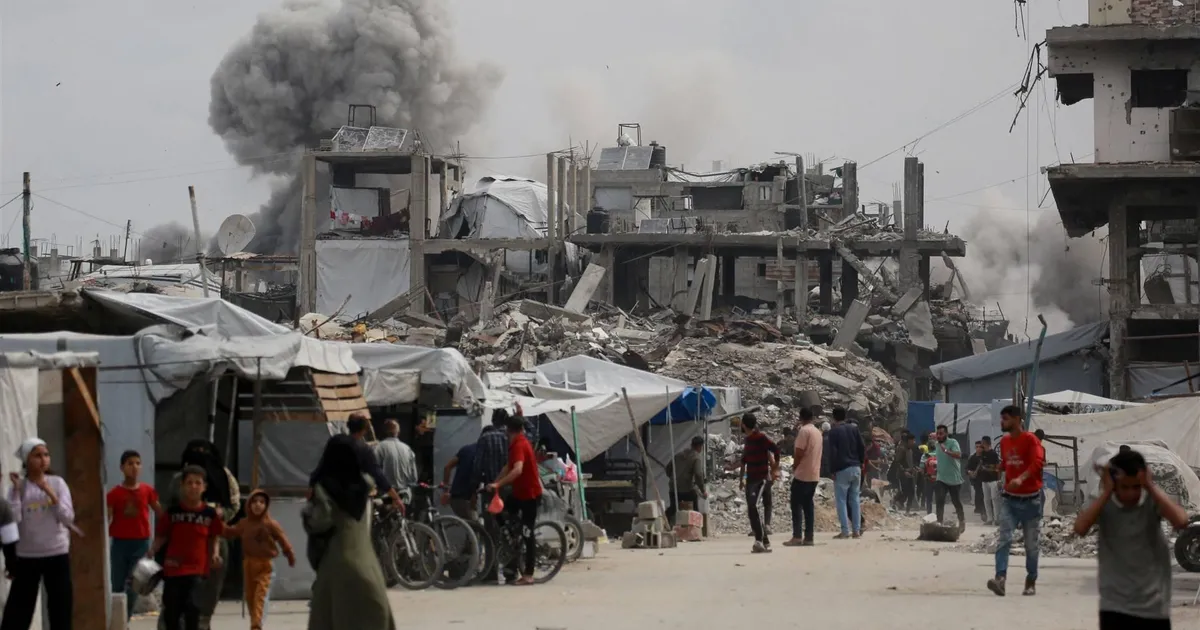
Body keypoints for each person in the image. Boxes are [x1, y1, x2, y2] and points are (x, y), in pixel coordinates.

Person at [1073, 446, 1189, 630]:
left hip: (1153, 607)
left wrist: (1150, 486)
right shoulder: (1105, 505)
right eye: (1124, 487)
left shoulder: (1152, 501)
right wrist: (1106, 492)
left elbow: (1181, 521)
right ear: (1114, 483)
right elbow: (1080, 528)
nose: (1130, 494)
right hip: (1115, 607)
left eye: (1136, 487)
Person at [304, 435, 396, 630]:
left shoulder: (324, 488)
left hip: (337, 564)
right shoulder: (365, 484)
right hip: (367, 564)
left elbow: (320, 522)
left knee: (333, 618)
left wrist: (307, 512)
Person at [159, 440, 240, 630]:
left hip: (213, 538)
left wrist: (220, 514)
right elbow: (168, 506)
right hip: (180, 540)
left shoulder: (224, 476)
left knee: (206, 593)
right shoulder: (179, 479)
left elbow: (234, 504)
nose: (194, 486)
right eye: (195, 451)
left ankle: (202, 624)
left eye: (204, 451)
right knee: (174, 596)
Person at [2, 438, 76, 630]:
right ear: (27, 460)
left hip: (56, 553)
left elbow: (67, 518)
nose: (43, 460)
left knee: (60, 610)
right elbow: (14, 520)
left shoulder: (58, 483)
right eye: (37, 455)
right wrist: (16, 492)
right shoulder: (19, 486)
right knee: (18, 613)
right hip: (27, 556)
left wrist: (50, 492)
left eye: (46, 455)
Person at [149, 466, 224, 630]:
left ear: (204, 487)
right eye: (189, 483)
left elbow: (215, 537)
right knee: (172, 612)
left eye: (198, 483)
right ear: (182, 485)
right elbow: (162, 535)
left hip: (197, 569)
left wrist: (215, 554)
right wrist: (152, 550)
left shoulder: (210, 514)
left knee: (193, 609)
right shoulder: (172, 513)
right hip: (173, 569)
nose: (193, 486)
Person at [988, 405, 1046, 597]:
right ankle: (1000, 579)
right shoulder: (1005, 442)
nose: (1001, 422)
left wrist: (1021, 478)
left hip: (1031, 501)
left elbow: (1038, 462)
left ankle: (1031, 581)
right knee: (1004, 539)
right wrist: (998, 468)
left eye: (1005, 418)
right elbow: (1007, 463)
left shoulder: (1031, 440)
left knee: (1031, 545)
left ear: (1017, 419)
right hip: (1010, 500)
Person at [223, 490, 295, 630]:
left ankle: (256, 626)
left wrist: (289, 553)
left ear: (266, 505)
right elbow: (230, 532)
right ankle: (255, 623)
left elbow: (282, 539)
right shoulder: (244, 524)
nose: (258, 505)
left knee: (260, 598)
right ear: (249, 505)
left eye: (262, 502)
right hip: (249, 564)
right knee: (250, 598)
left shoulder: (270, 524)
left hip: (265, 566)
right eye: (254, 502)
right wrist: (218, 525)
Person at [486, 413, 543, 585]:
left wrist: (499, 484)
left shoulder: (519, 444)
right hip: (519, 493)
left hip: (530, 495)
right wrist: (496, 482)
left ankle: (528, 574)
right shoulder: (517, 443)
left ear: (507, 429)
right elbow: (508, 466)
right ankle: (513, 537)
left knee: (528, 533)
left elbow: (517, 470)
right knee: (499, 511)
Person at [107, 449, 162, 620]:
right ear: (122, 467)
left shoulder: (147, 491)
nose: (134, 467)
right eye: (130, 464)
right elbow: (106, 518)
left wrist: (161, 537)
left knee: (135, 585)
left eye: (138, 463)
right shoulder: (114, 494)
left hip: (141, 543)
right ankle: (118, 622)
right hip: (120, 544)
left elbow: (160, 513)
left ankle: (126, 619)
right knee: (117, 585)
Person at [309, 413, 402, 509]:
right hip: (350, 500)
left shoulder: (335, 440)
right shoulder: (364, 449)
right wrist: (396, 497)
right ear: (364, 430)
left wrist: (312, 485)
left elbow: (322, 465)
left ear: (349, 426)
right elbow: (378, 475)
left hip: (330, 493)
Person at [737, 413, 779, 553]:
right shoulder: (748, 440)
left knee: (754, 506)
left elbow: (775, 450)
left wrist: (774, 469)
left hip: (761, 479)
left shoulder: (761, 438)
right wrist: (741, 479)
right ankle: (764, 541)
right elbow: (744, 461)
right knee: (752, 510)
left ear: (744, 424)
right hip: (750, 480)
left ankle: (759, 540)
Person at [784, 407, 822, 547]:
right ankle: (809, 537)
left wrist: (795, 466)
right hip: (814, 474)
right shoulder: (817, 432)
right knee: (808, 506)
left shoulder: (804, 431)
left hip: (803, 474)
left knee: (796, 504)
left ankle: (797, 536)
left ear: (801, 417)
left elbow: (799, 452)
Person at [825, 407, 865, 539]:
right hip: (856, 467)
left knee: (841, 500)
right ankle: (856, 531)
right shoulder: (854, 429)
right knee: (855, 500)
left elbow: (832, 453)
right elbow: (861, 446)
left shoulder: (833, 432)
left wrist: (832, 470)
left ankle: (845, 531)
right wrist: (861, 462)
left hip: (842, 469)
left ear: (833, 417)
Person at [373, 419, 419, 506]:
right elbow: (414, 478)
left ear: (384, 431)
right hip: (404, 497)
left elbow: (374, 472)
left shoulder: (378, 448)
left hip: (386, 497)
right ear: (398, 432)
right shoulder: (407, 449)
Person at [666, 436, 707, 524]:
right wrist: (703, 490)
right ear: (699, 446)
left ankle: (665, 521)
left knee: (674, 507)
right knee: (694, 506)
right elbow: (698, 474)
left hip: (673, 487)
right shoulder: (696, 457)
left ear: (691, 445)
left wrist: (673, 478)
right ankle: (696, 526)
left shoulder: (678, 455)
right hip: (686, 488)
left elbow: (668, 468)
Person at [933, 425, 966, 532]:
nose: (939, 436)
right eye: (937, 433)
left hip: (954, 478)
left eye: (941, 433)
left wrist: (946, 451)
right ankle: (939, 522)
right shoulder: (937, 444)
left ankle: (962, 520)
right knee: (940, 499)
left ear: (946, 434)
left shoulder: (953, 442)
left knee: (956, 501)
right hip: (941, 478)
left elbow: (958, 455)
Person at [441, 439, 479, 522]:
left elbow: (447, 467)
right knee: (476, 526)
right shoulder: (483, 453)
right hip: (467, 498)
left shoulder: (466, 449)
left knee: (472, 525)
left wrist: (446, 491)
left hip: (456, 498)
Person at [979, 436, 1002, 525]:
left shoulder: (993, 454)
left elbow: (997, 467)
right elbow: (981, 464)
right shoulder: (982, 453)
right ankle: (989, 519)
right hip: (985, 480)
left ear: (986, 443)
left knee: (995, 499)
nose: (981, 444)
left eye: (982, 442)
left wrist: (999, 480)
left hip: (993, 480)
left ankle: (997, 519)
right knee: (986, 500)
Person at [892, 433, 917, 512]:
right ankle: (894, 501)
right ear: (908, 441)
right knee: (904, 492)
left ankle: (907, 511)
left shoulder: (910, 450)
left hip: (910, 474)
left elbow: (910, 462)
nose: (914, 442)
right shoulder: (902, 449)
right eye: (913, 440)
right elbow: (897, 462)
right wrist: (904, 471)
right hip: (902, 475)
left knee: (912, 492)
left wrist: (914, 468)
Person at [967, 441, 984, 517]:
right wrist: (970, 472)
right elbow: (967, 468)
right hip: (976, 479)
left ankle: (983, 509)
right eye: (977, 447)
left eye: (980, 447)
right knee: (979, 493)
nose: (978, 448)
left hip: (985, 478)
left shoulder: (986, 456)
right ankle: (979, 508)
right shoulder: (972, 457)